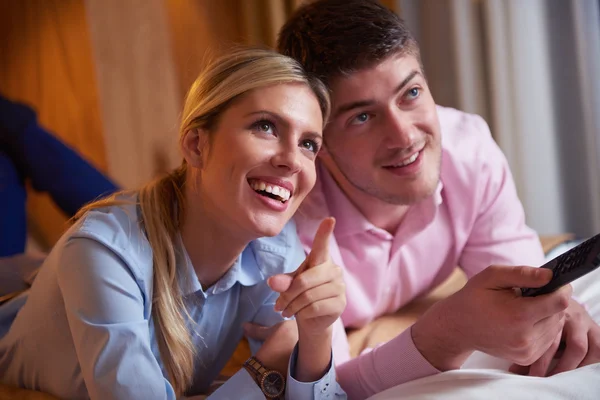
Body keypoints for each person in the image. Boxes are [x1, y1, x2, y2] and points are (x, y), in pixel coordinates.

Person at [275, 0, 600, 398]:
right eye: (362, 117)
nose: (405, 136)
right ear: (317, 140)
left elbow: (522, 286)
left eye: (410, 93)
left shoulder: (468, 150)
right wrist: (445, 333)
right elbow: (323, 391)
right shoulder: (285, 213)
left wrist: (551, 314)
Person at [0, 47, 348, 400]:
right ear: (196, 144)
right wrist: (263, 371)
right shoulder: (104, 251)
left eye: (308, 144)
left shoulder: (273, 249)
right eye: (265, 126)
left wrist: (316, 333)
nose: (292, 160)